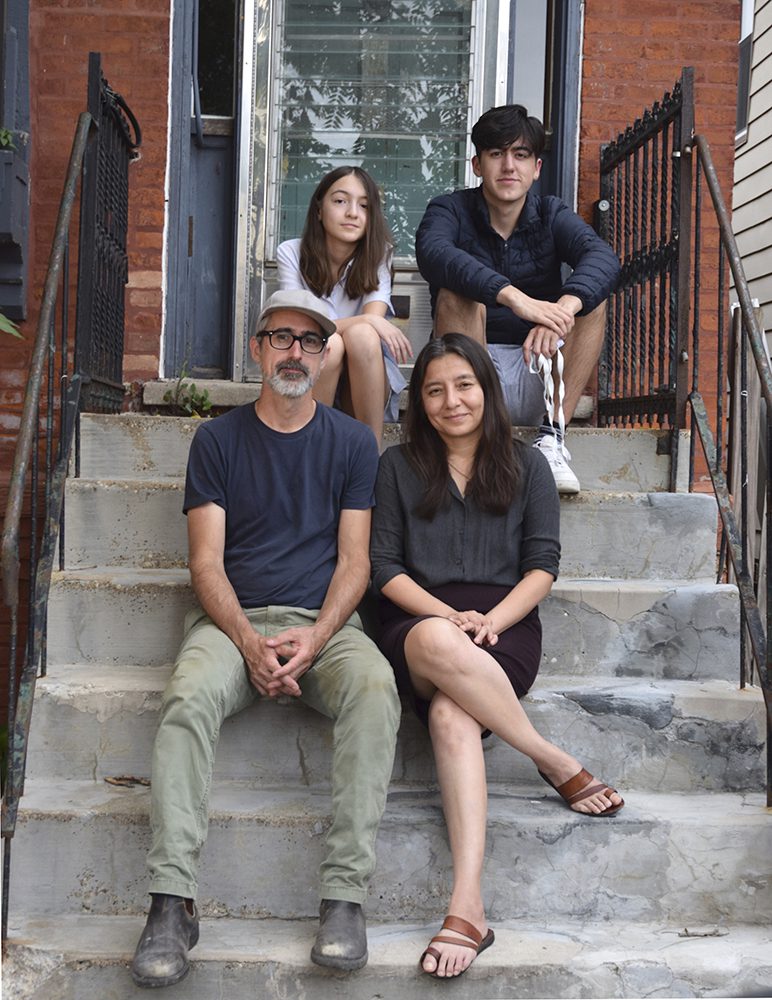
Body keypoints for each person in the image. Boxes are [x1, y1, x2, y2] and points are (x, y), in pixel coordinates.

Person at [130, 289, 401, 988]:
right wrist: (249, 641)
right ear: (257, 348)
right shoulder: (217, 441)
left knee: (376, 688)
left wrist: (318, 635)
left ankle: (344, 899)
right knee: (188, 695)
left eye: (311, 342)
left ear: (324, 355)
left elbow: (356, 564)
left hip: (324, 625)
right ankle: (171, 903)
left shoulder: (354, 443)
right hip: (233, 624)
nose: (295, 353)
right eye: (282, 337)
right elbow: (205, 564)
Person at [370, 333, 624, 980]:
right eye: (434, 390)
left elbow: (542, 568)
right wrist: (446, 615)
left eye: (464, 385)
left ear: (487, 389)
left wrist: (492, 620)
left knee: (451, 717)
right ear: (419, 402)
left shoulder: (528, 465)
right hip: (419, 624)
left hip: (504, 629)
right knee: (436, 640)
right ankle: (552, 758)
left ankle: (468, 906)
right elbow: (384, 568)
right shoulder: (397, 466)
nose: (451, 401)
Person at [415, 104, 622, 494]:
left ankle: (553, 437)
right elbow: (433, 253)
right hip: (470, 373)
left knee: (590, 299)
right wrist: (513, 297)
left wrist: (561, 311)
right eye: (496, 153)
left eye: (521, 154)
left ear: (536, 168)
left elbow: (603, 258)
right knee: (456, 293)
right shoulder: (450, 209)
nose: (509, 166)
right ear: (477, 165)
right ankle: (476, 441)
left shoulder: (550, 213)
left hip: (539, 372)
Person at [277, 166, 413, 444]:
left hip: (363, 377)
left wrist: (368, 321)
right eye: (340, 201)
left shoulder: (379, 255)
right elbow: (300, 329)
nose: (352, 213)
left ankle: (371, 450)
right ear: (319, 209)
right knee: (331, 343)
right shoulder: (290, 253)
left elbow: (370, 329)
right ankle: (311, 447)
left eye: (364, 205)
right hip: (309, 367)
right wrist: (368, 319)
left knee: (361, 335)